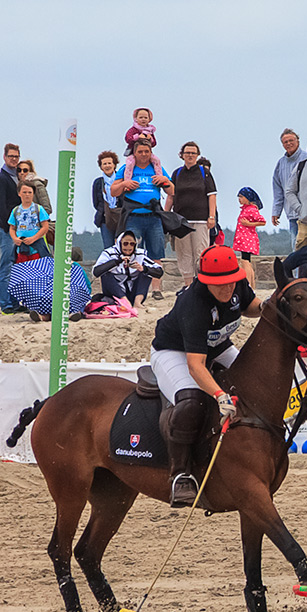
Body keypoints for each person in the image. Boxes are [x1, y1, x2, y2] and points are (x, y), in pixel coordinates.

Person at [150, 245, 262, 506]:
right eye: (220, 284)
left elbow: (252, 306)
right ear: (205, 281)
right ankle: (181, 475)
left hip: (216, 346)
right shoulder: (193, 303)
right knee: (192, 401)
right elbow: (196, 365)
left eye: (231, 282)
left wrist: (270, 307)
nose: (228, 288)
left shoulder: (237, 284)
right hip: (174, 350)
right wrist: (220, 395)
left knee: (253, 382)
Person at [109, 139, 173, 299]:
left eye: (147, 151)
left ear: (151, 153)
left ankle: (156, 289)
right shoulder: (127, 168)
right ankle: (132, 287)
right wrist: (125, 183)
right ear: (134, 153)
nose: (144, 154)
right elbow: (113, 191)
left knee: (156, 253)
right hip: (133, 216)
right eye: (140, 152)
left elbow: (172, 190)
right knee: (131, 251)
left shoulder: (157, 168)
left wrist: (164, 181)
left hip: (153, 216)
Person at [166, 142, 216, 286]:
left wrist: (211, 216)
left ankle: (202, 284)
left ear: (197, 155)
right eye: (187, 153)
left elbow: (212, 195)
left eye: (193, 153)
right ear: (182, 155)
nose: (190, 156)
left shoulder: (204, 172)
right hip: (181, 221)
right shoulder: (177, 173)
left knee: (201, 253)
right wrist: (165, 215)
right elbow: (171, 196)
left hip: (201, 220)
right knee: (184, 254)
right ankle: (188, 286)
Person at [93, 230, 164, 306]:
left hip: (133, 293)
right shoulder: (109, 253)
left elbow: (159, 272)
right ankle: (125, 302)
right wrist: (117, 262)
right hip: (115, 294)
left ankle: (138, 302)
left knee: (146, 273)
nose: (128, 246)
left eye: (132, 244)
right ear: (119, 243)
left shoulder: (140, 254)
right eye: (125, 243)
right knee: (106, 274)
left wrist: (143, 268)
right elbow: (96, 271)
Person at [270, 129, 307, 249]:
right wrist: (276, 211)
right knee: (296, 247)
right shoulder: (280, 164)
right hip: (292, 214)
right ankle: (298, 269)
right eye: (285, 142)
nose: (288, 144)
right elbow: (278, 190)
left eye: (291, 140)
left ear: (298, 141)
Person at [0, 144, 20, 314]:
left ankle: (13, 301)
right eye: (11, 156)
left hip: (17, 229)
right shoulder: (3, 177)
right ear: (5, 157)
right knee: (6, 265)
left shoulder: (17, 177)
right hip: (7, 229)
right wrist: (8, 227)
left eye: (16, 156)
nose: (14, 159)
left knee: (14, 265)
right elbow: (2, 204)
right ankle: (5, 303)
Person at [8, 182, 51, 261]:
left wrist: (33, 238)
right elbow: (12, 228)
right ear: (19, 193)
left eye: (29, 192)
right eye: (24, 192)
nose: (27, 195)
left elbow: (45, 227)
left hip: (36, 249)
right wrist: (15, 238)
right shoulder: (15, 210)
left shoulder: (39, 209)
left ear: (33, 194)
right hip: (21, 249)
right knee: (21, 271)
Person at [233, 187, 266, 289]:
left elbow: (262, 221)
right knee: (247, 262)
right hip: (244, 239)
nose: (239, 199)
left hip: (247, 239)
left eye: (242, 197)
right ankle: (251, 285)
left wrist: (249, 224)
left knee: (245, 262)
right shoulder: (246, 209)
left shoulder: (251, 209)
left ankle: (248, 285)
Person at [122, 107, 161, 181]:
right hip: (134, 153)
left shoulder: (149, 130)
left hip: (147, 154)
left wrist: (150, 139)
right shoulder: (133, 129)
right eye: (141, 117)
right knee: (130, 164)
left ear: (149, 119)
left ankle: (159, 178)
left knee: (156, 161)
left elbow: (154, 143)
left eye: (145, 117)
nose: (143, 119)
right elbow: (128, 139)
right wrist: (137, 137)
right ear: (136, 118)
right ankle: (127, 181)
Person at [92, 151, 120, 250]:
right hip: (104, 218)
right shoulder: (98, 182)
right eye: (104, 164)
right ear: (101, 167)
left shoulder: (121, 180)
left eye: (109, 163)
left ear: (114, 165)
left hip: (121, 218)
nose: (107, 166)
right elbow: (96, 202)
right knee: (109, 249)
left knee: (122, 246)